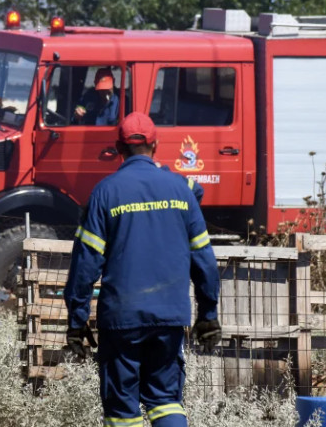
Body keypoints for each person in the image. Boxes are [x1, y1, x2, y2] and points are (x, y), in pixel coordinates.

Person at [63, 112, 221, 427]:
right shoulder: (180, 191)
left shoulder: (105, 193)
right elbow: (203, 257)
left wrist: (76, 322)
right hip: (170, 316)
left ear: (118, 147)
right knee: (166, 401)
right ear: (156, 145)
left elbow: (85, 264)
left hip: (122, 318)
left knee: (122, 411)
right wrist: (208, 314)